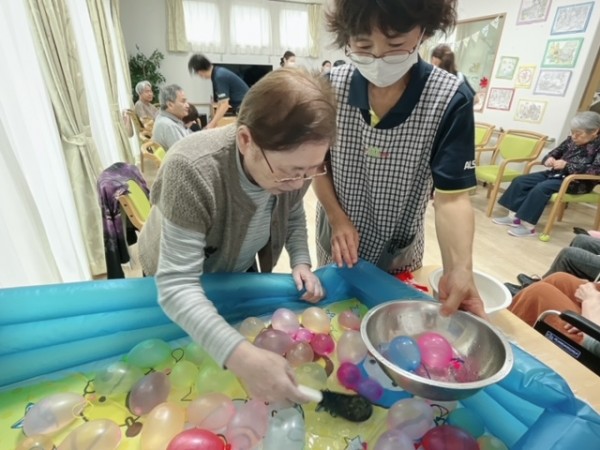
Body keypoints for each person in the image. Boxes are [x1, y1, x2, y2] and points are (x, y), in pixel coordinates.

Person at [137, 68, 337, 404]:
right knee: (181, 362)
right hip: (173, 276)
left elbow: (292, 213)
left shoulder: (296, 169)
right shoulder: (192, 169)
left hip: (234, 267)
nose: (298, 183)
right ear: (246, 140)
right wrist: (242, 358)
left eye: (310, 171)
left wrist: (301, 261)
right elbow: (177, 286)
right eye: (289, 172)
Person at [313, 0, 485, 317]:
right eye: (364, 46)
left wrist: (460, 268)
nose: (379, 59)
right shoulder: (330, 88)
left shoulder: (449, 98)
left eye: (395, 45)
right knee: (335, 315)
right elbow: (317, 166)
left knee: (393, 321)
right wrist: (337, 218)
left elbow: (452, 198)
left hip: (398, 244)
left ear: (423, 32)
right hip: (338, 235)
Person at [493, 111, 600, 237]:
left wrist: (567, 165)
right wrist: (549, 159)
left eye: (579, 133)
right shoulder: (571, 140)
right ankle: (513, 217)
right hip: (556, 174)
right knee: (520, 181)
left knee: (541, 188)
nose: (574, 136)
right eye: (572, 132)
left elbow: (596, 170)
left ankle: (528, 227)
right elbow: (554, 153)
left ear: (595, 131)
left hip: (577, 182)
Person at [509, 272, 600, 356]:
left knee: (539, 293)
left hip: (595, 340)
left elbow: (593, 345)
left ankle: (509, 347)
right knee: (560, 279)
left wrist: (590, 305)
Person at [188, 53, 250, 129]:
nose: (199, 76)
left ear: (199, 71)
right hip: (244, 107)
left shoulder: (219, 76)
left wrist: (211, 124)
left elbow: (224, 105)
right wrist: (213, 122)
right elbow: (220, 103)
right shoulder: (217, 73)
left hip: (247, 108)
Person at [151, 84, 191, 151]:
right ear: (170, 105)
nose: (187, 105)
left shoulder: (164, 118)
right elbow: (184, 154)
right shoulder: (169, 125)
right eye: (183, 101)